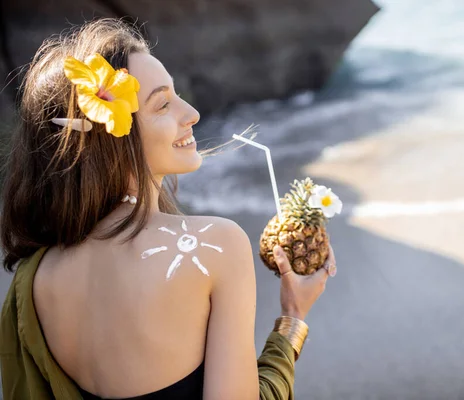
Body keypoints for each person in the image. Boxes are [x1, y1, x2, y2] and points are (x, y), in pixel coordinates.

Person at [0, 18, 336, 400]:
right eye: (163, 104)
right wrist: (292, 320)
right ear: (111, 134)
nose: (191, 112)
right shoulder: (216, 246)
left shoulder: (34, 277)